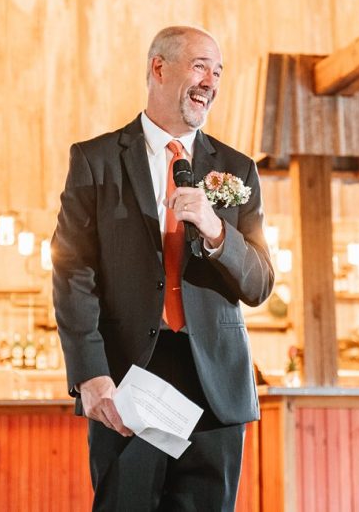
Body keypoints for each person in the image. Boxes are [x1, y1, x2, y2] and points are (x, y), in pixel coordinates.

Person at [52, 26, 274, 511]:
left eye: (218, 72)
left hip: (214, 387)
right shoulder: (96, 160)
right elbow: (73, 273)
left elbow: (259, 284)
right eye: (200, 66)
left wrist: (217, 231)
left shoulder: (238, 169)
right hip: (128, 385)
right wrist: (90, 374)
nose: (210, 81)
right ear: (158, 67)